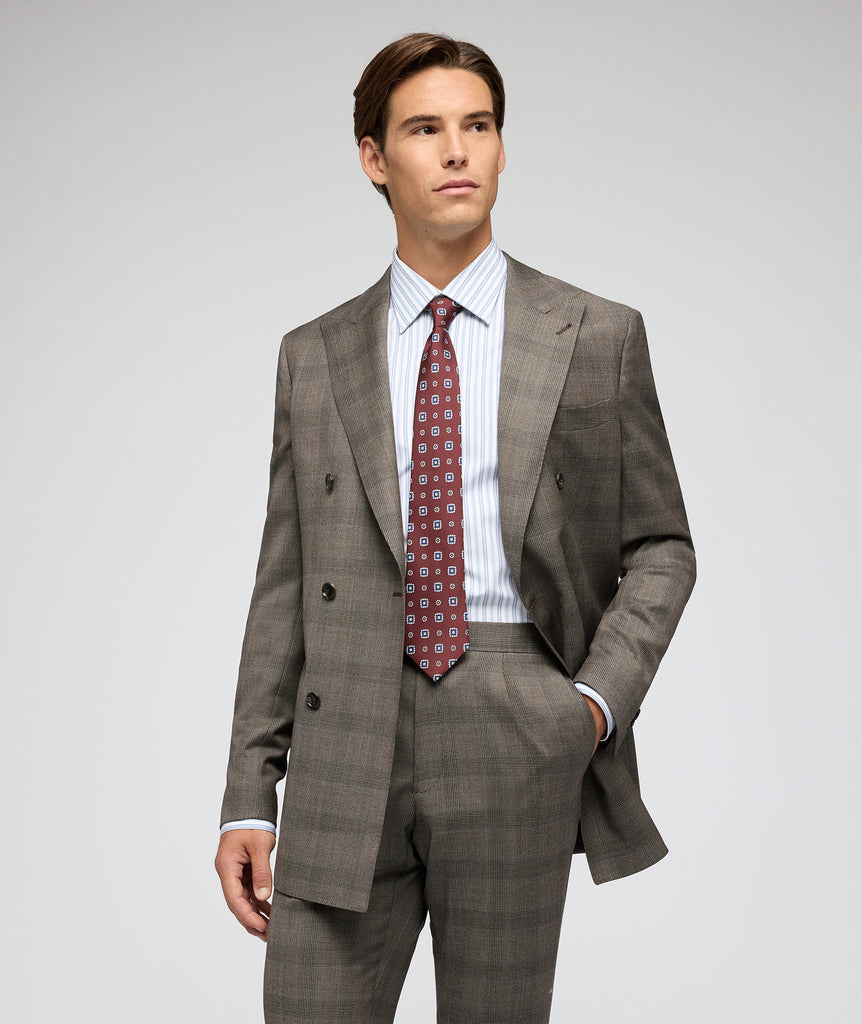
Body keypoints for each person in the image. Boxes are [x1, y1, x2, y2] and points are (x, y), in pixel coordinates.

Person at [215, 31, 695, 1024]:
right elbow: (283, 581)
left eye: (477, 125)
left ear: (502, 147)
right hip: (345, 726)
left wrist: (591, 705)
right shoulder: (314, 355)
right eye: (424, 129)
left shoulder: (594, 334)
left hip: (515, 720)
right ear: (373, 157)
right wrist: (248, 793)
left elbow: (661, 545)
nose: (456, 151)